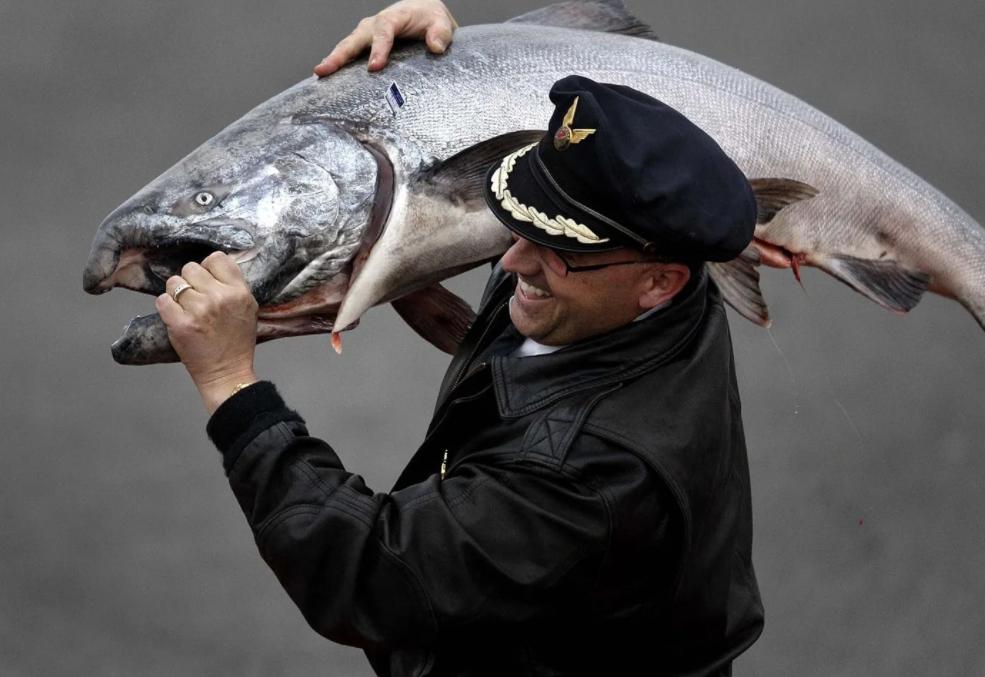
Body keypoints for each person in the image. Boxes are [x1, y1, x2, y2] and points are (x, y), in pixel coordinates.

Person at [155, 1, 763, 674]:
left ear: (659, 281)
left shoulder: (586, 478)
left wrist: (232, 387)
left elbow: (371, 577)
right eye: (521, 222)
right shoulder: (650, 289)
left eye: (560, 250)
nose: (513, 262)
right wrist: (442, 71)